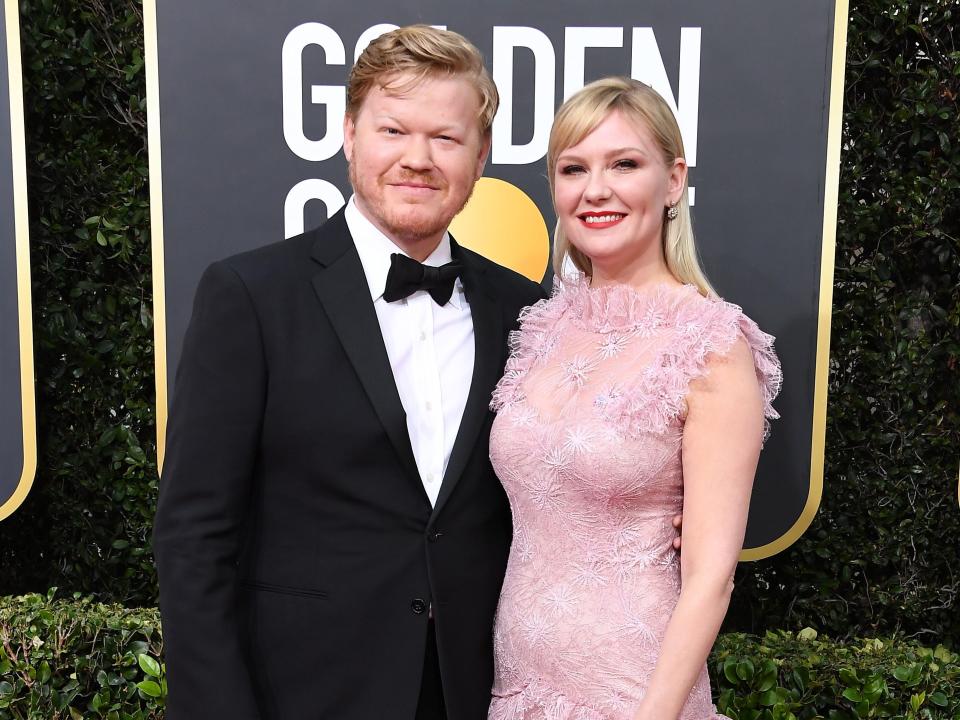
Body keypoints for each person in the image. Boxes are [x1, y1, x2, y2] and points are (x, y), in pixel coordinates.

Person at [152, 26, 547, 720]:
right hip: (302, 693)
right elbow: (193, 536)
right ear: (350, 135)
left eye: (446, 139)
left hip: (474, 693)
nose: (417, 160)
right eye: (393, 129)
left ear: (480, 157)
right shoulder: (250, 295)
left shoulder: (524, 311)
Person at [486, 77, 782, 720]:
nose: (596, 190)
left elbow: (711, 577)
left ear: (673, 181)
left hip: (636, 693)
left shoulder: (713, 345)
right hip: (516, 690)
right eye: (574, 168)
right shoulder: (541, 328)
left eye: (624, 164)